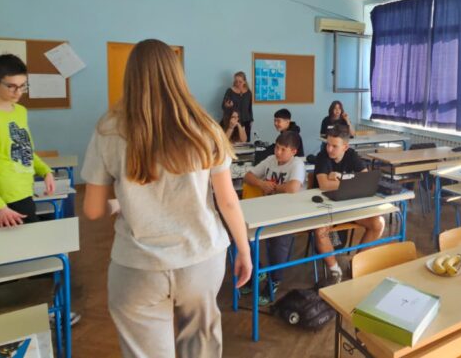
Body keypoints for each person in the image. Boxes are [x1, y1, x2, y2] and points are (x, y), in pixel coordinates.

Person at [81, 39, 252, 358]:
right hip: (201, 257)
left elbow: (92, 209)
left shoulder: (109, 129)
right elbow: (228, 201)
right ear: (176, 74)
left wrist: (121, 202)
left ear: (131, 76)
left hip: (138, 267)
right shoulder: (205, 127)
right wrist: (244, 249)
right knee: (201, 348)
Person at [0, 54, 55, 228]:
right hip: (5, 197)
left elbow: (25, 150)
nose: (18, 92)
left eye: (23, 86)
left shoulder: (20, 111)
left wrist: (45, 171)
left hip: (24, 189)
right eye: (11, 86)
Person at [311, 127, 383, 285]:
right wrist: (350, 181)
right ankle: (335, 270)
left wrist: (340, 178)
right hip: (327, 208)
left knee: (378, 223)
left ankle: (357, 262)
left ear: (345, 147)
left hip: (349, 207)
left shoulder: (352, 155)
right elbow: (324, 185)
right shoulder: (322, 156)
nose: (329, 149)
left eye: (334, 146)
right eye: (328, 144)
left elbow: (365, 179)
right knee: (320, 230)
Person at [243, 131, 305, 292]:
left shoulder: (297, 164)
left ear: (293, 152)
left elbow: (293, 188)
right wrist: (261, 184)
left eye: (283, 149)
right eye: (277, 147)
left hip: (288, 213)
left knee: (278, 241)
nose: (278, 152)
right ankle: (257, 271)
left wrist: (274, 187)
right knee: (243, 234)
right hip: (267, 209)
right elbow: (248, 176)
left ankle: (274, 279)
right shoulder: (270, 160)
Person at [221, 71, 253, 138]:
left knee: (245, 141)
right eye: (236, 81)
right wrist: (227, 105)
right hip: (233, 121)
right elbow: (223, 106)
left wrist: (251, 119)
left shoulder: (248, 93)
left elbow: (249, 107)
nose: (237, 83)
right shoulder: (229, 91)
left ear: (244, 82)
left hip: (246, 121)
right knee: (231, 140)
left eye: (240, 82)